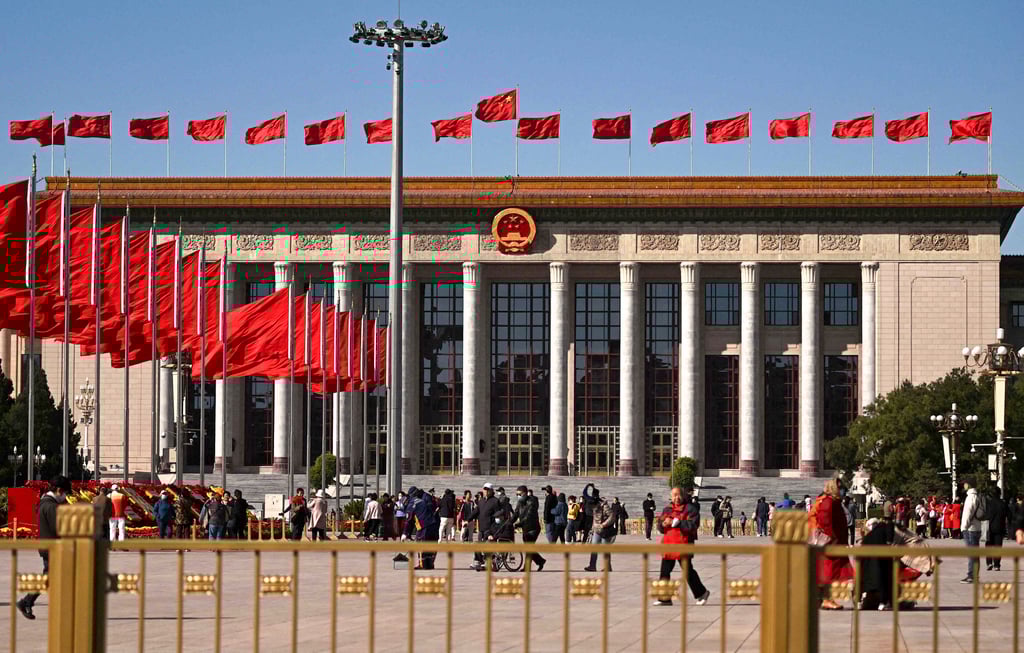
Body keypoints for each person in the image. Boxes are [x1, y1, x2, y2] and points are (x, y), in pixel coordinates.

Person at [17, 475, 72, 620]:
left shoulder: (45, 502)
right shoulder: (51, 506)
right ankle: (27, 602)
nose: (66, 496)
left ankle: (27, 602)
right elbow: (60, 528)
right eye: (65, 492)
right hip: (53, 547)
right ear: (59, 490)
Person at [652, 486, 710, 607]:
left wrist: (677, 523)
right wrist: (663, 524)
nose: (676, 498)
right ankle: (664, 598)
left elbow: (693, 525)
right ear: (671, 497)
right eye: (674, 495)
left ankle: (702, 593)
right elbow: (660, 526)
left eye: (678, 495)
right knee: (664, 572)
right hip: (669, 544)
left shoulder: (691, 509)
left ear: (683, 495)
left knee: (688, 571)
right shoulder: (667, 509)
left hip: (684, 543)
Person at [808, 478, 853, 610]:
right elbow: (825, 522)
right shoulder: (828, 502)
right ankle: (827, 599)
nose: (842, 489)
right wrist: (832, 538)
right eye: (839, 487)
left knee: (827, 572)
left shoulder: (834, 501)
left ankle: (819, 599)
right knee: (830, 573)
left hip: (836, 543)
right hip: (831, 545)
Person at [468, 483, 502, 571]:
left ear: (491, 491)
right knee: (477, 545)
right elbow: (476, 511)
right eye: (484, 489)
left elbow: (497, 518)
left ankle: (489, 562)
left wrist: (492, 532)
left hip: (490, 530)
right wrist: (467, 520)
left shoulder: (495, 501)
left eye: (487, 490)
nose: (485, 491)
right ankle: (479, 562)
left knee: (487, 546)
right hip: (481, 529)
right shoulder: (481, 501)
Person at [583, 488, 617, 573]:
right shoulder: (593, 504)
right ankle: (592, 566)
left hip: (604, 530)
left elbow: (612, 516)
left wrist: (603, 524)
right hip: (596, 530)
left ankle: (607, 567)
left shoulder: (604, 505)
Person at [514, 485, 546, 571]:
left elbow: (528, 517)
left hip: (533, 529)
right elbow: (515, 514)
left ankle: (527, 567)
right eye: (516, 494)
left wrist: (517, 524)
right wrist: (509, 522)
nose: (518, 496)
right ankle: (540, 561)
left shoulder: (532, 501)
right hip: (525, 529)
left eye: (519, 494)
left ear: (524, 493)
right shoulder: (519, 503)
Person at [960, 478, 982, 583]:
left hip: (970, 529)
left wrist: (964, 527)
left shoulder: (970, 497)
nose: (963, 485)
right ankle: (974, 575)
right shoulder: (977, 496)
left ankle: (971, 575)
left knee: (971, 553)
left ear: (969, 485)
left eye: (965, 484)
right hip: (976, 527)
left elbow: (967, 514)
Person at [985, 488, 1008, 571]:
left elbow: (986, 515)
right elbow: (1008, 515)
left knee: (988, 546)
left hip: (989, 527)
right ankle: (997, 565)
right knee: (998, 546)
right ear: (999, 493)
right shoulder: (1003, 503)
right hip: (999, 527)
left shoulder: (988, 503)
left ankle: (989, 563)